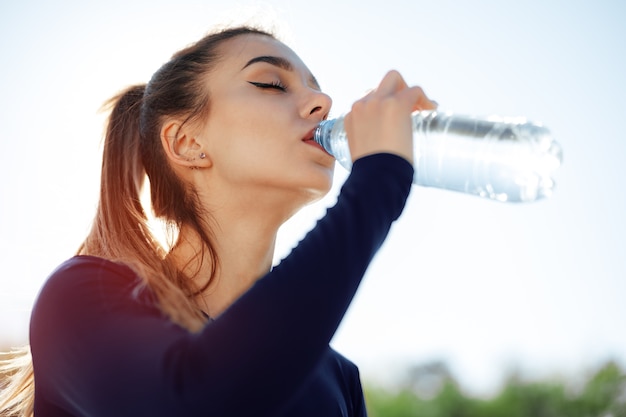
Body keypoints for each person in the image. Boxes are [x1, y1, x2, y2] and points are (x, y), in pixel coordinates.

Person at [0, 25, 435, 416]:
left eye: (317, 89)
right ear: (187, 142)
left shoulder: (336, 379)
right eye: (270, 83)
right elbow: (194, 401)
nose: (323, 103)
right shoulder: (83, 298)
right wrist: (379, 181)